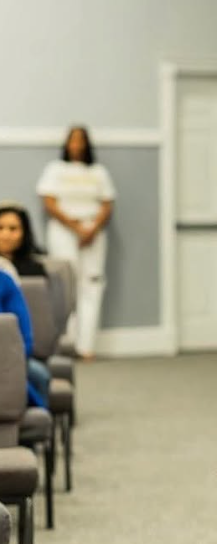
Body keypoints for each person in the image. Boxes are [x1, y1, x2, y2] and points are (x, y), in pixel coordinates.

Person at [36, 125, 115, 360]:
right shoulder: (55, 169)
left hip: (93, 232)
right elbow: (49, 202)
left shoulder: (99, 172)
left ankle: (86, 345)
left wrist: (91, 229)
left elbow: (107, 204)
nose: (77, 145)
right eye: (73, 140)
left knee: (92, 283)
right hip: (64, 230)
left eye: (81, 140)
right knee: (65, 283)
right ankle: (67, 343)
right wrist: (75, 227)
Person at [0, 269, 50, 407]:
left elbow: (25, 334)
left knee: (40, 376)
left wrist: (14, 359)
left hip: (10, 359)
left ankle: (38, 416)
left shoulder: (4, 281)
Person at [0, 203, 47, 277]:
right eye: (0, 228)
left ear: (25, 232)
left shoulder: (34, 269)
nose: (5, 235)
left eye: (13, 228)